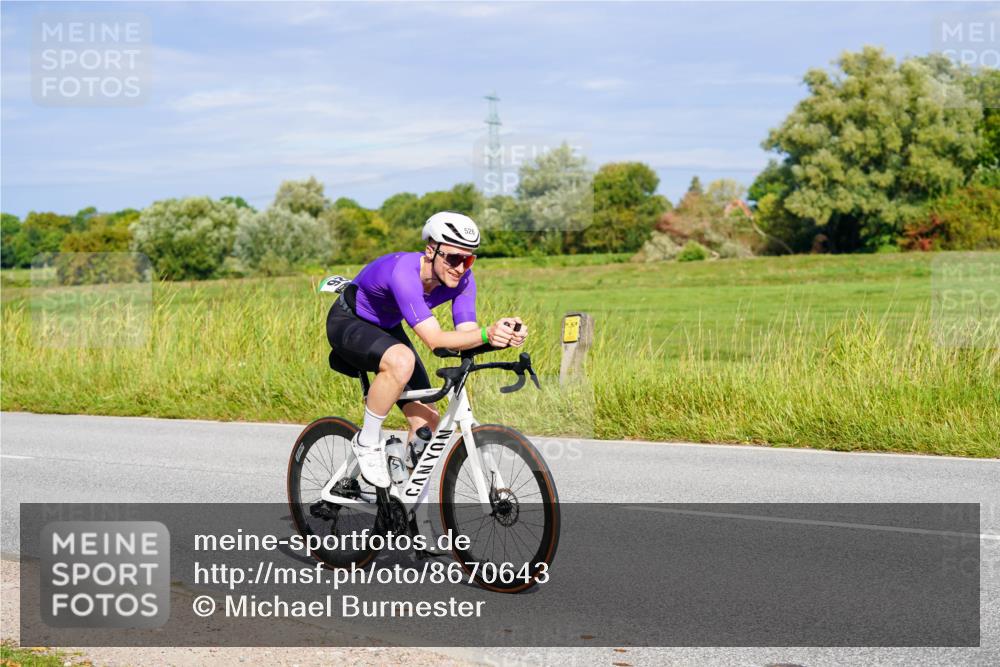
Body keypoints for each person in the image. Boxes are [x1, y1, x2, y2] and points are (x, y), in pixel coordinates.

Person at [326, 211, 528, 487]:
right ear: (431, 250)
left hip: (386, 328)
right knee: (401, 360)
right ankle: (367, 442)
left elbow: (466, 333)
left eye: (468, 259)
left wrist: (498, 335)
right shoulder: (404, 273)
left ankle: (400, 501)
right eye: (454, 258)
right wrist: (487, 334)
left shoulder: (464, 282)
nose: (461, 267)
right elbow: (434, 340)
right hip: (349, 321)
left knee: (428, 424)